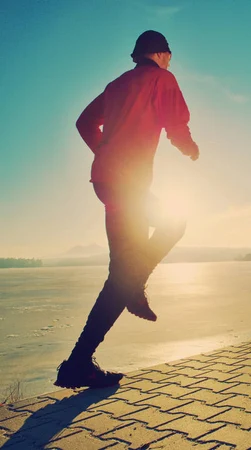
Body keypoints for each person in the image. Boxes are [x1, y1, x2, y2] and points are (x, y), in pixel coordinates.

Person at [55, 30, 200, 389]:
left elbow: (83, 122)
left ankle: (78, 363)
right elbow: (176, 125)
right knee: (173, 223)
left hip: (106, 182)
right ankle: (134, 284)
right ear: (161, 54)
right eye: (170, 56)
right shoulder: (161, 78)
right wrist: (190, 148)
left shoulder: (116, 84)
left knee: (120, 270)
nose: (171, 62)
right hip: (129, 184)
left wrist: (104, 152)